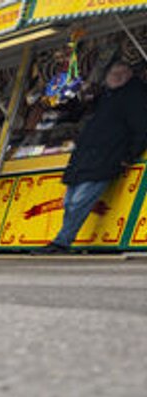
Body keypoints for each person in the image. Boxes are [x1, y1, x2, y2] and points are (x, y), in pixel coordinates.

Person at [45, 59, 147, 253]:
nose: (115, 78)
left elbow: (141, 128)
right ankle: (62, 239)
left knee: (78, 201)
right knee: (69, 202)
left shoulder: (134, 96)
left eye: (120, 74)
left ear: (129, 75)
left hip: (106, 158)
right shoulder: (106, 97)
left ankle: (62, 241)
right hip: (87, 157)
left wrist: (129, 155)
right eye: (112, 74)